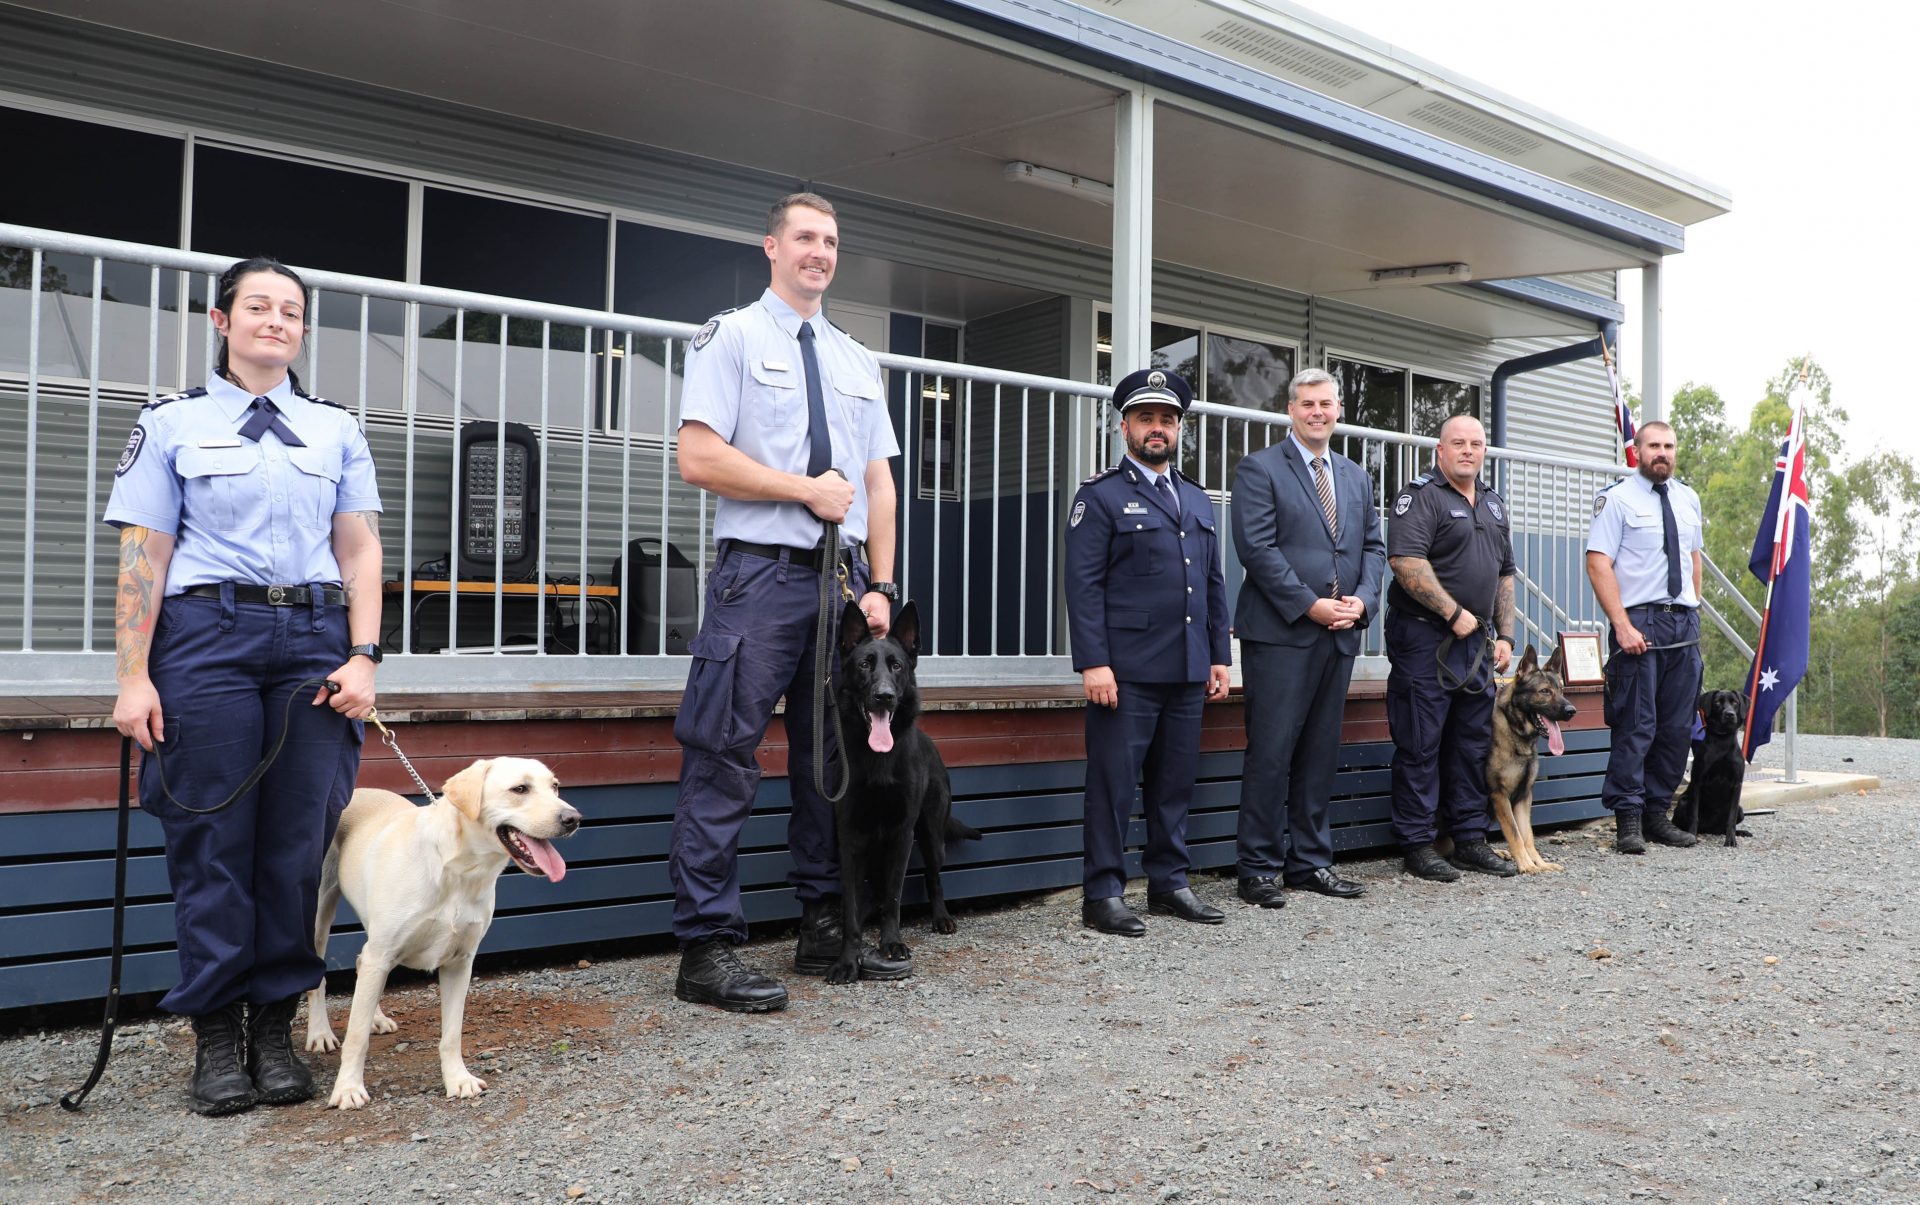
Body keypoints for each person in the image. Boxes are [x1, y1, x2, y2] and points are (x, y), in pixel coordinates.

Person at [106, 256, 384, 1115]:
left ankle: (274, 1026)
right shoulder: (172, 422)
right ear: (222, 320)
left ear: (302, 329)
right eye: (258, 306)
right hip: (206, 639)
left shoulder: (334, 427)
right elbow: (144, 552)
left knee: (297, 844)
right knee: (212, 841)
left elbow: (359, 547)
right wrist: (132, 677)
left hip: (314, 642)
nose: (275, 320)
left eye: (290, 310)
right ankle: (218, 1035)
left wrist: (365, 654)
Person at [669, 192, 902, 1011]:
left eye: (830, 241)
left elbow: (878, 481)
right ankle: (706, 946)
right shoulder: (731, 336)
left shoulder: (856, 359)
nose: (819, 252)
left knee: (826, 760)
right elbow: (698, 457)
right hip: (758, 578)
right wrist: (804, 489)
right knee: (723, 754)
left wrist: (880, 585)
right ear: (772, 246)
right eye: (805, 237)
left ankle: (824, 923)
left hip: (839, 585)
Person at [1065, 369, 1232, 937]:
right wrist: (1093, 662)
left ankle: (1169, 882)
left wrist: (1218, 655)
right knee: (1113, 786)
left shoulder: (1195, 497)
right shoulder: (1100, 496)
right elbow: (1083, 585)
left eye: (1167, 419)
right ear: (1124, 428)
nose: (1156, 428)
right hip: (1125, 670)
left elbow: (1212, 583)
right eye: (1145, 419)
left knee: (1174, 785)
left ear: (1179, 428)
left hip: (1186, 666)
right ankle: (1103, 894)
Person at [1230, 369, 1385, 907]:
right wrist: (1309, 605)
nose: (1317, 412)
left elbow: (1373, 548)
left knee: (1320, 752)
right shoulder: (1260, 468)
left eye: (1326, 404)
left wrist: (1363, 601)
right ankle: (1257, 868)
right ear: (1290, 410)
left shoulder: (1355, 476)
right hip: (1282, 633)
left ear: (1338, 410)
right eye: (1307, 404)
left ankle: (1310, 862)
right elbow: (1256, 549)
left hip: (1340, 633)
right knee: (1272, 752)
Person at [1383, 414, 1519, 882]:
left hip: (1477, 643)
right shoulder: (1421, 496)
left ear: (1484, 451)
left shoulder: (1494, 503)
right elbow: (1405, 561)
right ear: (1440, 450)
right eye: (1458, 443)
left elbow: (1505, 574)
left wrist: (1506, 635)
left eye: (1476, 444)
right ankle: (1418, 845)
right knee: (1421, 742)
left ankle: (1469, 839)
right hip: (1425, 637)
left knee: (1471, 743)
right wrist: (1452, 612)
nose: (1467, 451)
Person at [1585, 420, 1703, 854]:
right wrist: (1620, 624)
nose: (1662, 453)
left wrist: (1694, 609)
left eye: (1669, 446)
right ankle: (1629, 819)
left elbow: (1693, 558)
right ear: (1638, 451)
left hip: (1682, 625)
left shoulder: (1688, 498)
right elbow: (1598, 562)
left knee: (1675, 728)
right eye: (1654, 445)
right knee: (1637, 725)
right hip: (1639, 621)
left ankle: (1656, 815)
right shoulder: (1616, 499)